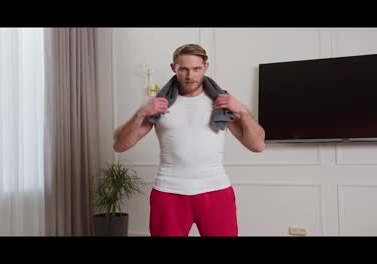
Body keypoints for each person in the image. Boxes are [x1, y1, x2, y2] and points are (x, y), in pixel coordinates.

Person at [113, 43, 265, 236]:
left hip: (215, 190)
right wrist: (140, 113)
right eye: (183, 69)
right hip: (169, 191)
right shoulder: (160, 104)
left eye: (196, 69)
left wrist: (242, 111)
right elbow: (120, 145)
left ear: (206, 67)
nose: (190, 76)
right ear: (173, 67)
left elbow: (257, 145)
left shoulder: (222, 103)